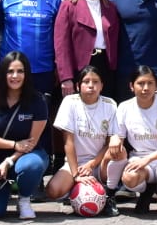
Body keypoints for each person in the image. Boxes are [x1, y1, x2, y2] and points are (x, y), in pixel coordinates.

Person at [0, 50, 49, 221]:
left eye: (20, 71)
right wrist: (13, 144)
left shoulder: (37, 101)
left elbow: (30, 143)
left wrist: (9, 161)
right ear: (2, 73)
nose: (15, 76)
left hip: (26, 156)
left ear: (27, 74)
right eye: (10, 71)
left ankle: (24, 197)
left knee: (32, 165)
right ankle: (4, 190)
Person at [0, 0, 63, 148]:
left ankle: (40, 164)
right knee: (9, 118)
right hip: (11, 71)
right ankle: (7, 160)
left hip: (42, 71)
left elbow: (59, 35)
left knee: (40, 118)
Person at [109, 64, 157, 215]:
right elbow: (119, 136)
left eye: (150, 83)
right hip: (140, 159)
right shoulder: (124, 107)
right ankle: (146, 192)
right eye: (140, 83)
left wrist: (149, 159)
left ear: (156, 85)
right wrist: (115, 138)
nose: (145, 88)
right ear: (132, 86)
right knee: (129, 177)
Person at [46, 64, 117, 212]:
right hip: (75, 163)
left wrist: (92, 164)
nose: (91, 85)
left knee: (117, 151)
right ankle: (77, 188)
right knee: (53, 190)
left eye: (95, 82)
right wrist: (76, 174)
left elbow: (109, 143)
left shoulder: (110, 105)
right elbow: (68, 142)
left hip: (99, 162)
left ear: (101, 86)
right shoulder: (70, 102)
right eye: (86, 81)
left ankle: (109, 195)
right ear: (78, 86)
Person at [53, 0, 122, 102]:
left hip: (105, 66)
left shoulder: (110, 7)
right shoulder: (69, 5)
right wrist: (66, 77)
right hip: (80, 66)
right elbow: (61, 45)